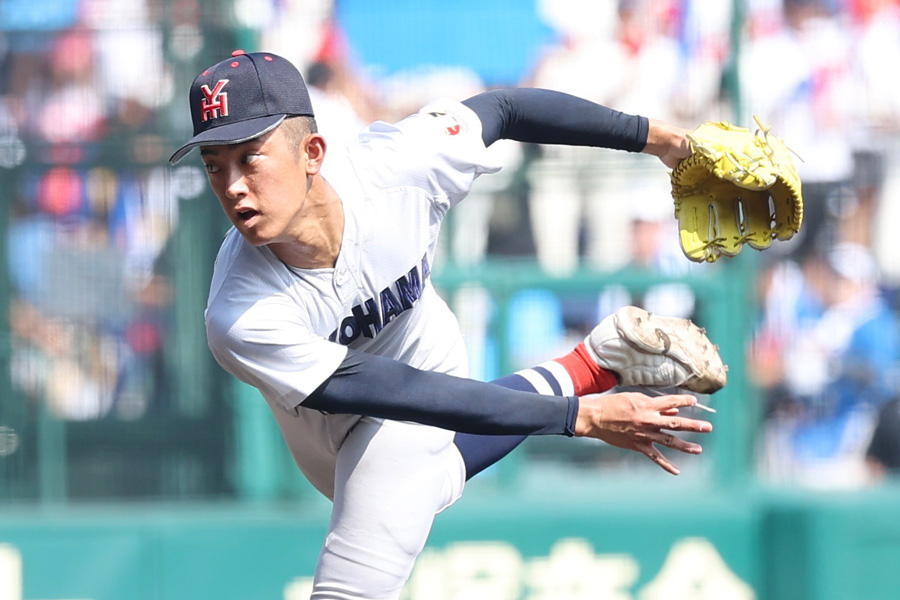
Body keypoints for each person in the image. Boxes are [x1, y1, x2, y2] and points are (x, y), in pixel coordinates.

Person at [169, 50, 724, 599]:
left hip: (430, 357)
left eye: (249, 158)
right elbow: (398, 394)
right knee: (429, 474)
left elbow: (504, 108)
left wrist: (670, 143)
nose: (232, 185)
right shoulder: (242, 314)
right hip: (337, 437)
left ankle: (593, 362)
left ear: (312, 151)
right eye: (214, 165)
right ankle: (595, 360)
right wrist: (576, 413)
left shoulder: (397, 166)